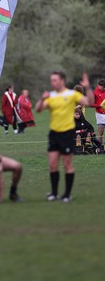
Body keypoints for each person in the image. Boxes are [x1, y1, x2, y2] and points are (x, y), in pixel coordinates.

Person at [35, 72, 94, 202]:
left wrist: (88, 87)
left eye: (55, 80)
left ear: (62, 81)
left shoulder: (72, 94)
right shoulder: (51, 96)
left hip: (67, 133)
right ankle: (54, 193)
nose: (53, 83)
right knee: (52, 164)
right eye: (52, 80)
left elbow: (89, 102)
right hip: (54, 134)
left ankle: (67, 195)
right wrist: (42, 99)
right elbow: (38, 109)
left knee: (67, 164)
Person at [92, 79, 105, 147]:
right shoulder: (95, 92)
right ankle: (100, 146)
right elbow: (91, 104)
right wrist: (99, 105)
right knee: (100, 132)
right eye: (101, 87)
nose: (103, 89)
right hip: (100, 115)